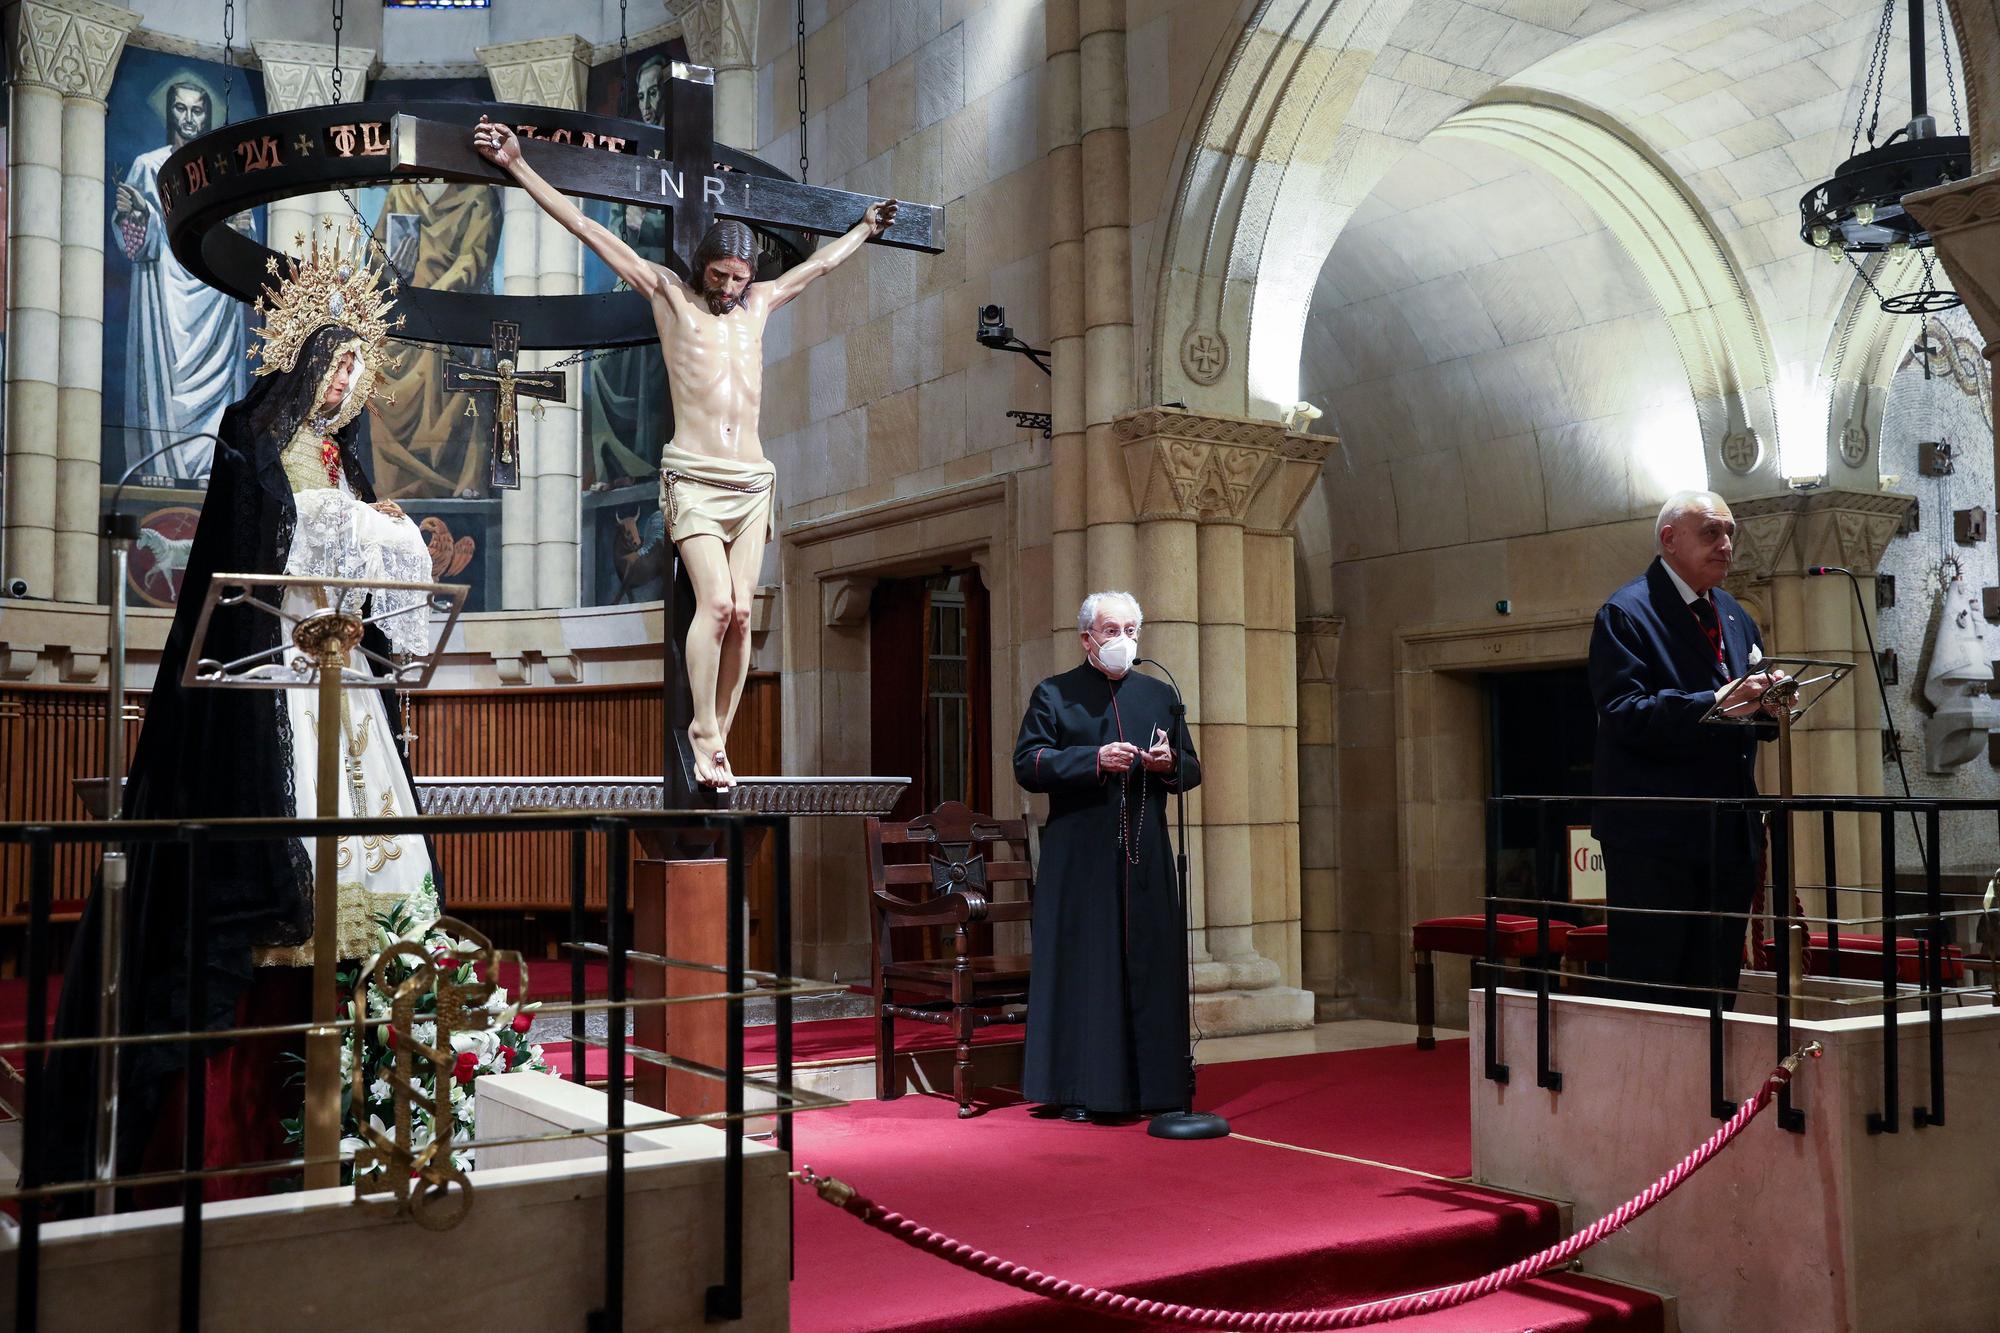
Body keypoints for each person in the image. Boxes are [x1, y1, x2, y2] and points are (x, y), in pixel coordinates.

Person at [47, 239, 440, 1201]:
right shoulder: (250, 438)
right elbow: (255, 546)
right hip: (274, 687)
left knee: (382, 879)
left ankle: (373, 1107)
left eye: (359, 371)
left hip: (346, 696)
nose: (347, 384)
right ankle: (247, 1113)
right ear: (304, 359)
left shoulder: (344, 465)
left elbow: (363, 574)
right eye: (336, 364)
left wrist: (382, 529)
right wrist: (352, 526)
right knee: (276, 875)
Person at [473, 115, 896, 788]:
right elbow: (591, 231)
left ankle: (719, 741)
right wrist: (521, 166)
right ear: (701, 266)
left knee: (746, 614)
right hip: (694, 476)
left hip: (752, 478)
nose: (730, 288)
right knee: (720, 605)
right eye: (721, 275)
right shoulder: (670, 296)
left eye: (739, 277)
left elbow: (816, 267)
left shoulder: (759, 303)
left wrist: (865, 230)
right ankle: (702, 726)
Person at [1588, 490, 1780, 1008]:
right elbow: (1624, 712)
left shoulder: (1734, 614)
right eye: (1711, 532)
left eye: (1729, 533)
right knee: (1653, 983)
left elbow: (1741, 708)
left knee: (1716, 983)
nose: (1725, 545)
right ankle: (1646, 1092)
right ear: (1669, 539)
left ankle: (1711, 1089)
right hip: (1657, 832)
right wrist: (1717, 701)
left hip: (1728, 829)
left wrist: (1768, 705)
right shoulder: (1627, 612)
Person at [1013, 592, 1200, 1122]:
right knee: (1087, 967)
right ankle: (1080, 1088)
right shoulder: (1054, 694)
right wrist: (1091, 759)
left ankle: (1155, 1087)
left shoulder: (1160, 695)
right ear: (1086, 638)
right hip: (1081, 858)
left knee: (1147, 962)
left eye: (1130, 629)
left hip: (1145, 853)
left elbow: (1192, 769)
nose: (1122, 639)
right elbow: (1028, 764)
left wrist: (1167, 764)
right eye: (1110, 629)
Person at [113, 76, 247, 482]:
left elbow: (244, 241)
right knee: (161, 372)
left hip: (215, 301)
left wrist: (241, 229)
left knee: (221, 384)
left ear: (208, 115)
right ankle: (159, 464)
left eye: (198, 110)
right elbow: (133, 245)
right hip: (162, 294)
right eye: (181, 108)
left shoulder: (223, 172)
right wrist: (137, 215)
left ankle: (212, 467)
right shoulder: (147, 166)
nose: (189, 118)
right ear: (169, 112)